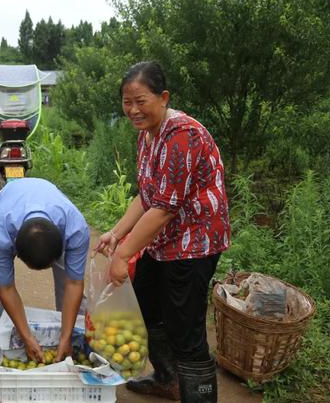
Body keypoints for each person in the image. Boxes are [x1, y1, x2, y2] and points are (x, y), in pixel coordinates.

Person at [94, 61, 230, 403]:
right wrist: (116, 233)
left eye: (141, 101)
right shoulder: (147, 136)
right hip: (164, 241)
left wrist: (124, 255)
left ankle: (198, 396)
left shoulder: (182, 135)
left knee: (186, 330)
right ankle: (168, 379)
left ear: (163, 97)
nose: (133, 110)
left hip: (194, 244)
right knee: (147, 305)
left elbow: (165, 207)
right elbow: (147, 196)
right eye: (127, 102)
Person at [0, 177, 89, 389]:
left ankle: (76, 343)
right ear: (15, 251)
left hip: (52, 210)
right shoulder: (0, 233)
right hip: (11, 202)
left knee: (70, 284)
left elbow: (74, 284)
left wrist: (66, 335)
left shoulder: (75, 229)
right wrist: (26, 337)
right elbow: (6, 287)